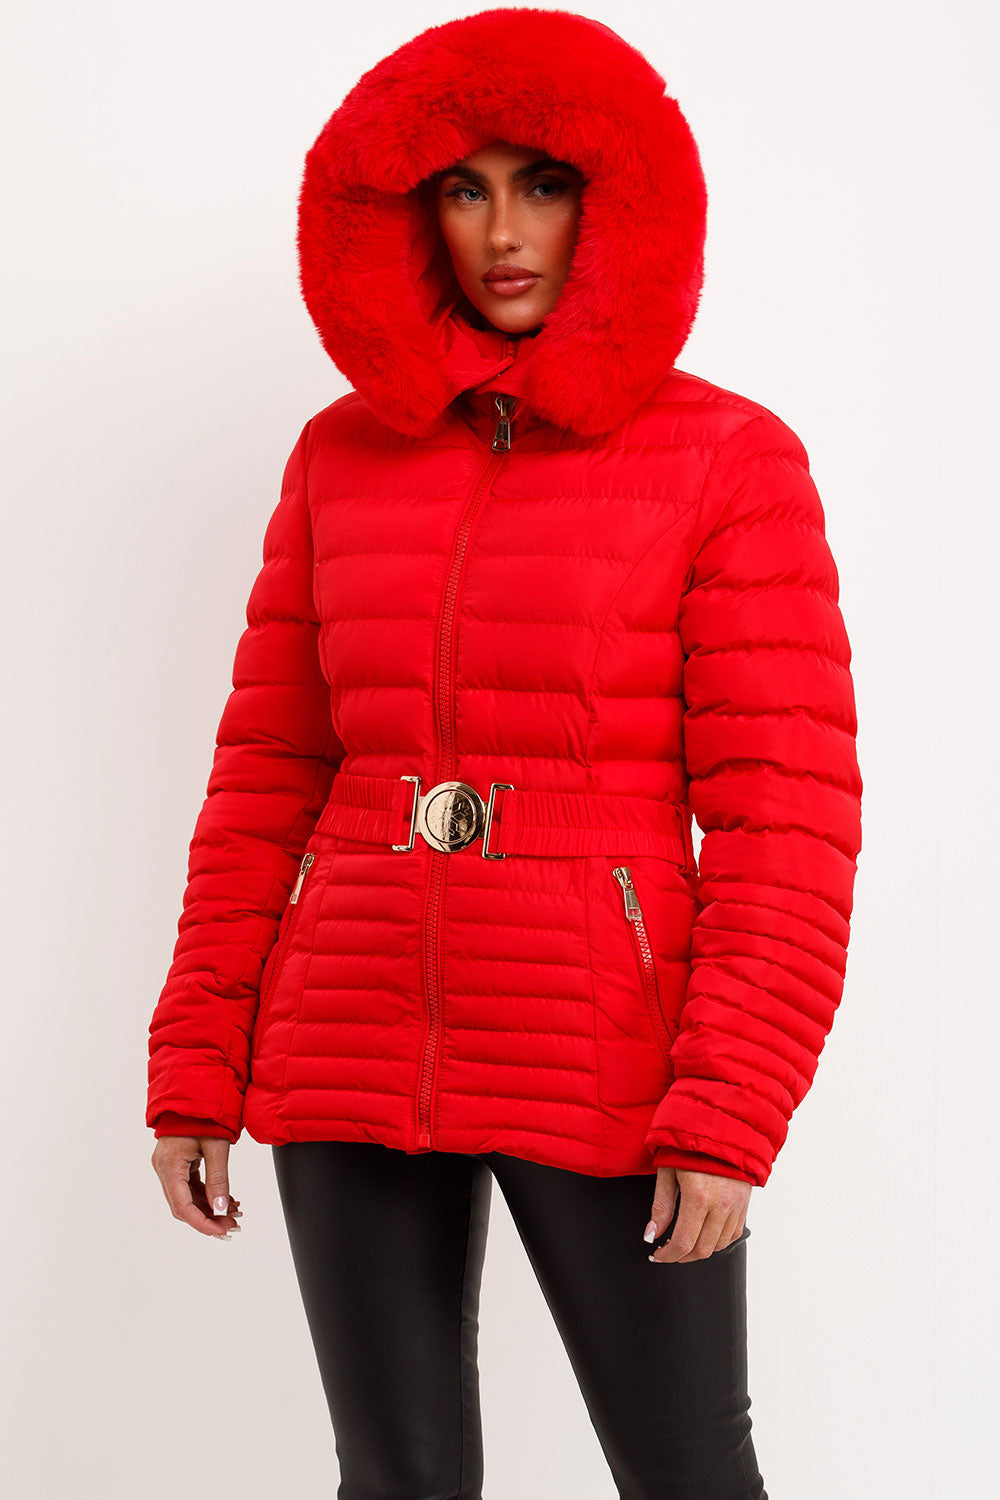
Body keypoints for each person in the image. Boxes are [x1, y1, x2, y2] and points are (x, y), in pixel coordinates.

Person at [146, 9, 862, 1498]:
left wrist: (732, 1102)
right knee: (395, 1480)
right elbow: (265, 774)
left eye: (543, 184)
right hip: (348, 1027)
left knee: (685, 1473)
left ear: (618, 203)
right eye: (462, 191)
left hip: (606, 1047)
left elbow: (785, 817)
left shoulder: (729, 461)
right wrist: (198, 1062)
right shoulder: (340, 455)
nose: (504, 232)